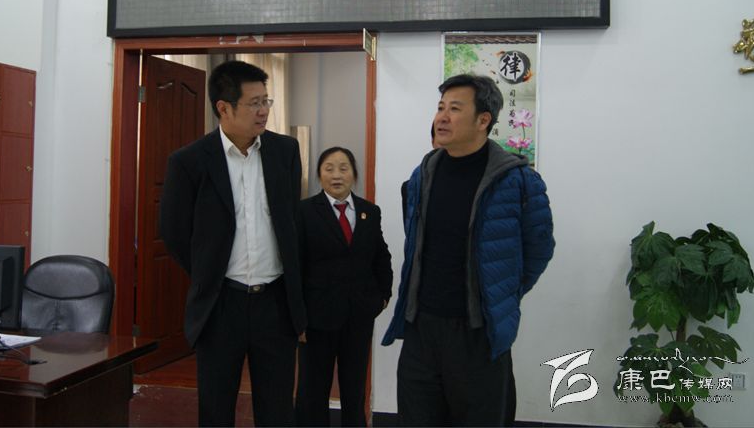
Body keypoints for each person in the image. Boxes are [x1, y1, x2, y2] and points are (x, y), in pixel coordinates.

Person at [382, 74, 555, 426]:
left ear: (483, 120)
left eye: (455, 109)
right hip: (421, 328)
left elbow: (539, 249)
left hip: (479, 333)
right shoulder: (422, 174)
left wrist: (501, 292)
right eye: (440, 107)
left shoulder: (518, 181)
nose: (442, 117)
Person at [160, 60, 305, 427]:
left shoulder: (285, 152)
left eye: (266, 101)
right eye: (254, 103)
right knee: (216, 409)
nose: (263, 111)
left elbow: (290, 222)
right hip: (221, 305)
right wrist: (209, 271)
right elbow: (175, 233)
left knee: (277, 411)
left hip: (275, 303)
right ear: (223, 108)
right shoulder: (189, 162)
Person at [295, 147, 393, 427]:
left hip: (358, 317)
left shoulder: (369, 212)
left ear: (354, 174)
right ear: (319, 175)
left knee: (354, 388)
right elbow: (296, 266)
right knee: (313, 390)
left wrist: (382, 296)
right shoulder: (303, 211)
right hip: (316, 319)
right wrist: (297, 316)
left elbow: (381, 256)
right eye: (329, 168)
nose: (336, 175)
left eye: (343, 168)